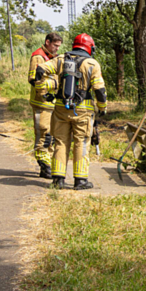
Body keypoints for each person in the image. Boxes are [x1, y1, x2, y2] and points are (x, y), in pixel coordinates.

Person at [33, 33, 106, 190]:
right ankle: (80, 181)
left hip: (60, 109)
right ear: (89, 48)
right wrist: (102, 108)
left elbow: (39, 70)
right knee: (81, 143)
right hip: (83, 112)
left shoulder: (61, 59)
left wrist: (42, 92)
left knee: (60, 142)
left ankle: (58, 180)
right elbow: (100, 90)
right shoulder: (92, 64)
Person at [27, 33, 62, 178]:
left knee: (51, 135)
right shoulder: (38, 56)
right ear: (47, 42)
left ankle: (47, 164)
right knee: (43, 133)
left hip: (51, 103)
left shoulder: (53, 57)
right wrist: (54, 85)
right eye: (55, 45)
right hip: (41, 103)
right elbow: (33, 79)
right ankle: (44, 165)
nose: (56, 49)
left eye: (58, 46)